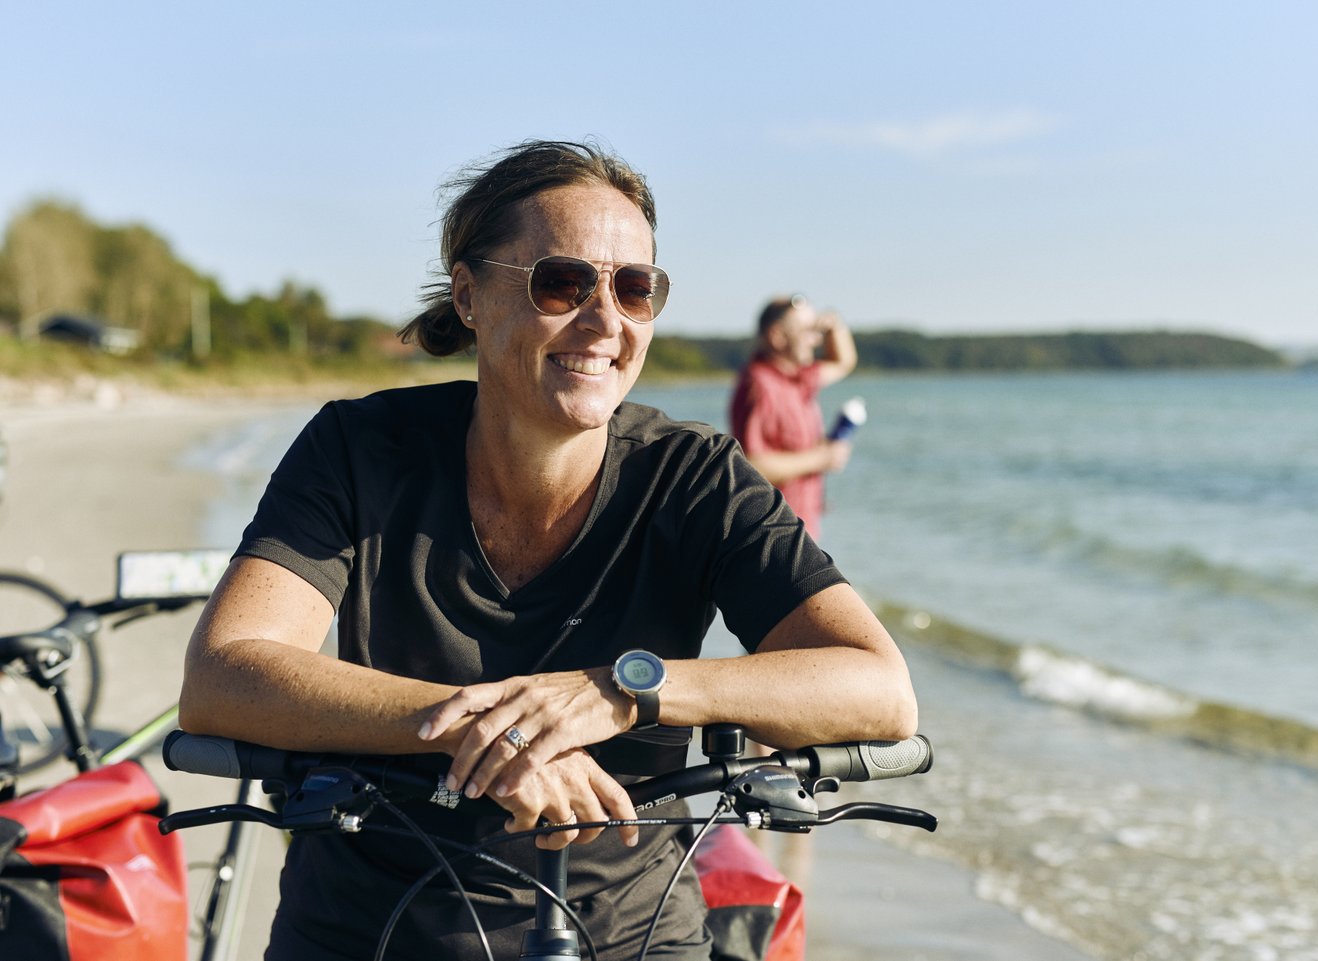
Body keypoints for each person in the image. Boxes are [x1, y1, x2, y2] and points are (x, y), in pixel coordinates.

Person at [177, 140, 917, 961]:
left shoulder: (696, 477)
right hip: (369, 927)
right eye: (562, 283)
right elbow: (224, 671)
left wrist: (625, 689)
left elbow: (878, 686)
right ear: (470, 294)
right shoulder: (358, 449)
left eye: (636, 289)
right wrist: (488, 734)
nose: (607, 322)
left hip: (630, 934)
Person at [727, 295, 858, 540]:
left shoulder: (800, 377)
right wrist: (822, 458)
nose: (816, 340)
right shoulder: (759, 384)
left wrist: (834, 325)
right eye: (809, 331)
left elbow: (844, 362)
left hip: (803, 529)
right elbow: (752, 465)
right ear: (778, 336)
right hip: (772, 534)